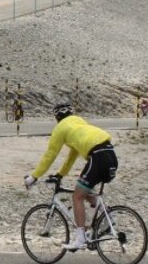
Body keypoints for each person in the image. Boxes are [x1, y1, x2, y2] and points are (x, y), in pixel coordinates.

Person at [23, 102, 118, 251]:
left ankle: (80, 239)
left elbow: (50, 155)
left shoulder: (60, 128)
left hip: (97, 157)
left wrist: (34, 176)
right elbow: (72, 156)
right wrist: (61, 174)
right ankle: (107, 219)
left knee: (77, 196)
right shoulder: (79, 122)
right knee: (84, 190)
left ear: (57, 117)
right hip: (110, 154)